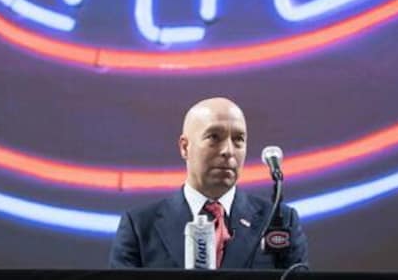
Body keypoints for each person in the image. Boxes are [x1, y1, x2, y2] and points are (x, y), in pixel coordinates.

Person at [109, 97, 308, 269]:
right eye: (214, 137)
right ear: (185, 147)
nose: (228, 151)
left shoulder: (279, 222)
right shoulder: (140, 227)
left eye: (238, 139)